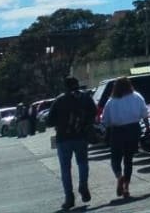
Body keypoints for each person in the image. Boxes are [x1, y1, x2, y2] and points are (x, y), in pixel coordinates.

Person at [46, 76, 96, 210]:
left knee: (65, 168)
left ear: (65, 86)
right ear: (77, 84)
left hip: (63, 138)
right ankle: (83, 185)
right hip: (81, 136)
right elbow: (94, 112)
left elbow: (49, 121)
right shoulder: (85, 97)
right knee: (83, 163)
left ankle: (69, 197)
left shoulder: (60, 99)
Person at [99, 76, 146, 200]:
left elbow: (105, 120)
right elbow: (144, 113)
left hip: (117, 132)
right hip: (133, 130)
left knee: (115, 159)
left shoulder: (111, 101)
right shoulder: (137, 96)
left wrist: (103, 131)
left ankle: (119, 177)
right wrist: (148, 127)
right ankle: (126, 188)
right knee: (128, 160)